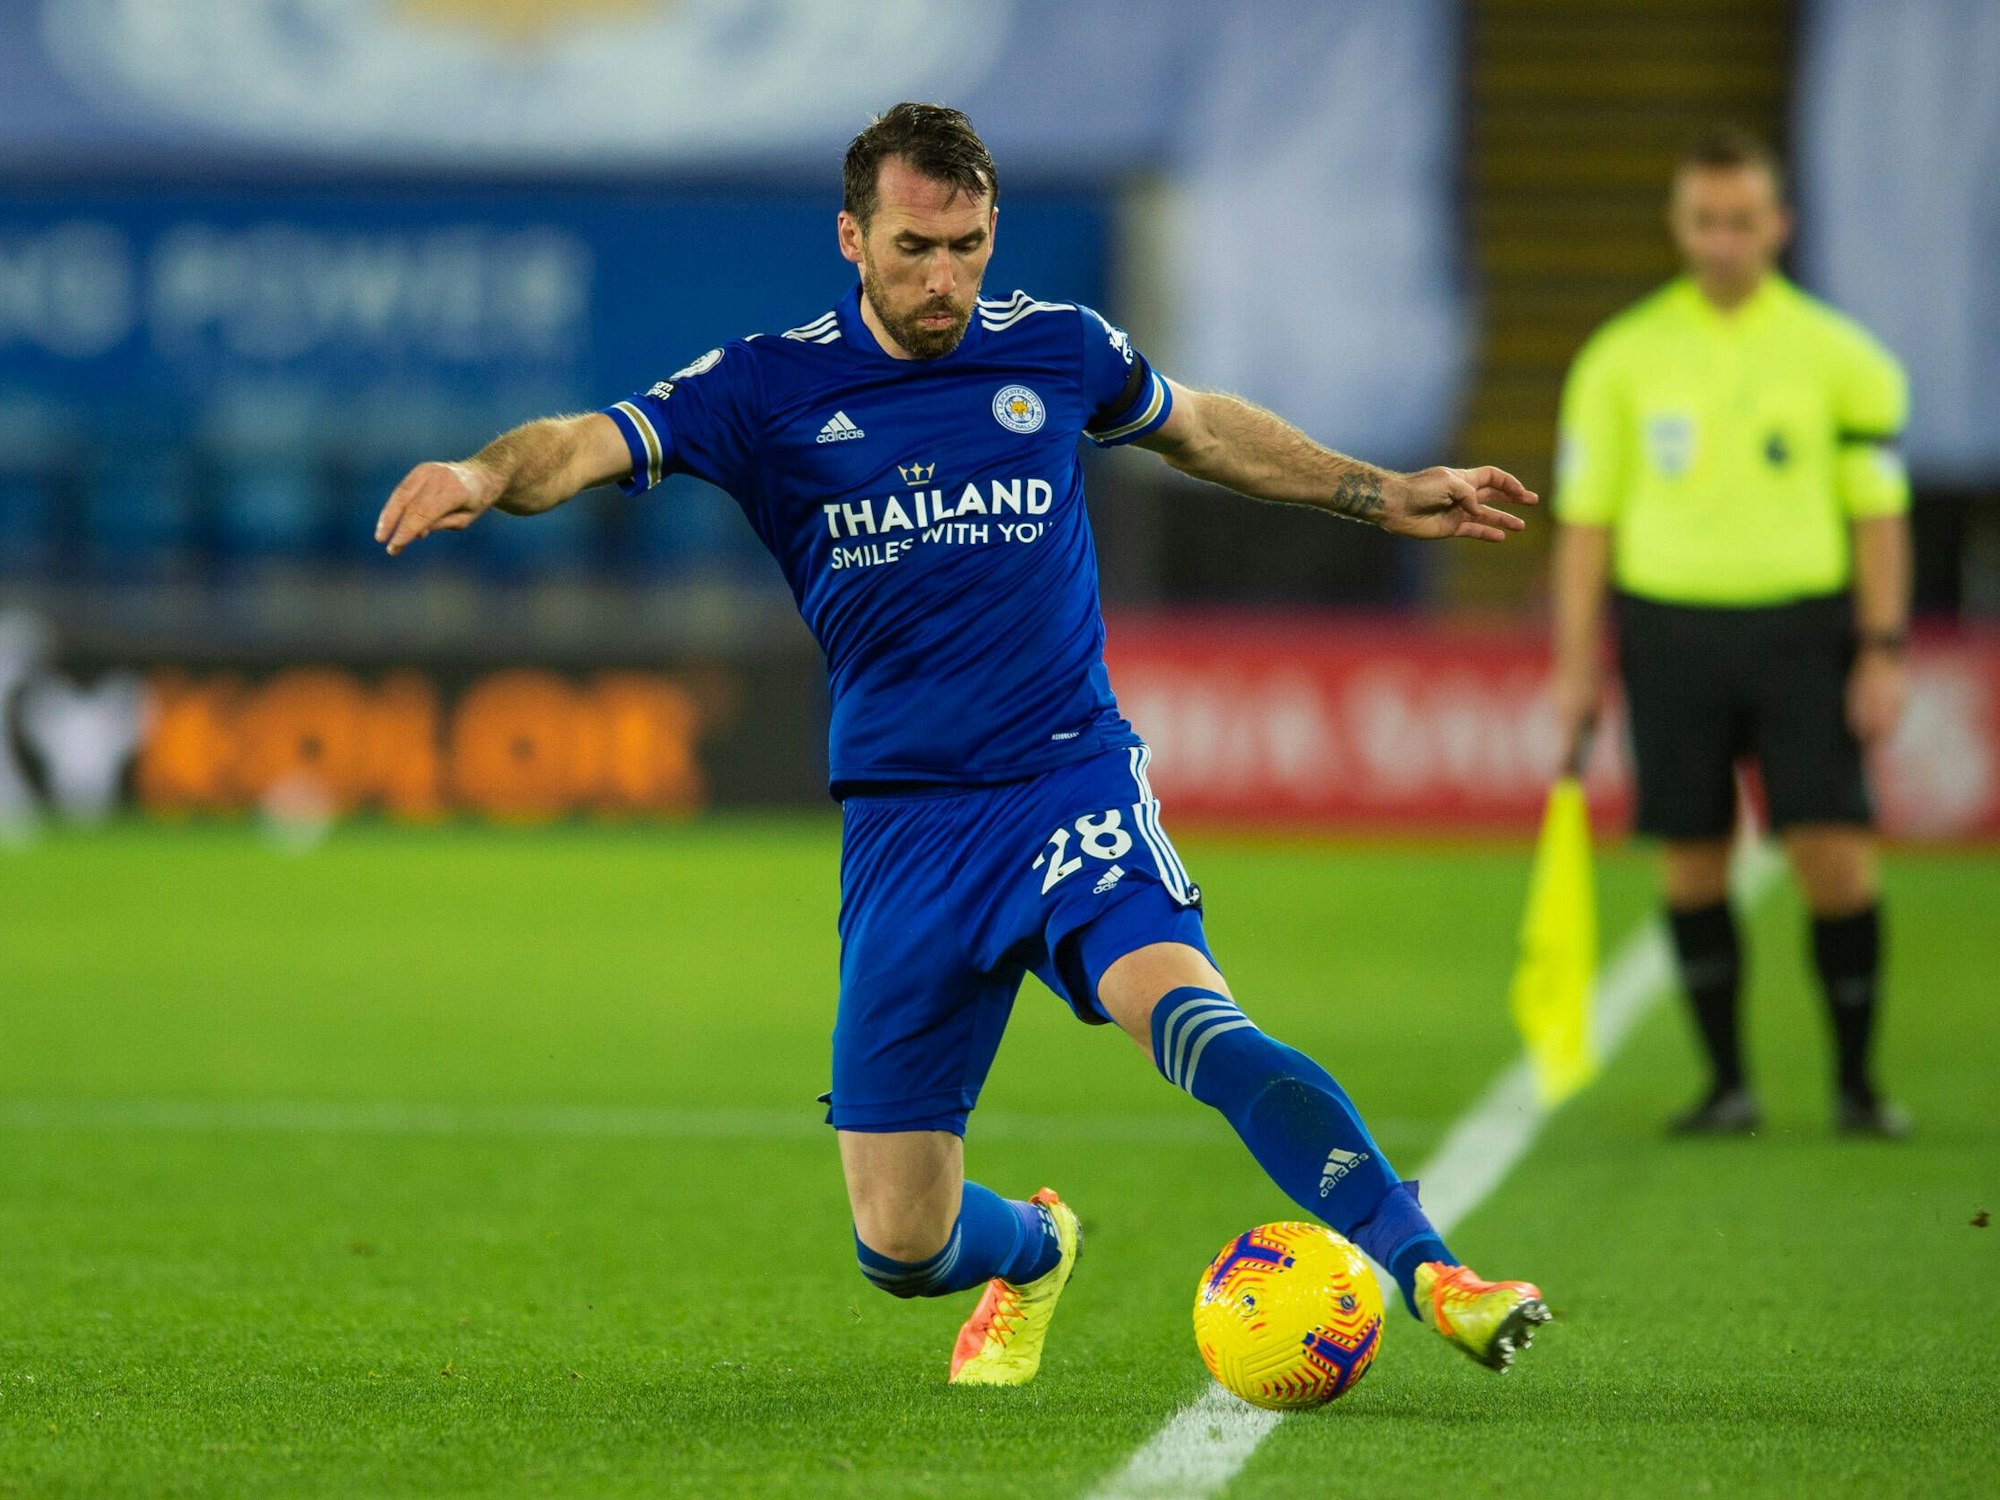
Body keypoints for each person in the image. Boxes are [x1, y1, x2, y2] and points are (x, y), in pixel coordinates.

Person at [377, 103, 1546, 1384]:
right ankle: (1036, 1249)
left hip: (1063, 780)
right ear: (851, 238)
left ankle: (1430, 1268)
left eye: (968, 247)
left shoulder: (1054, 348)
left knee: (1188, 1016)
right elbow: (583, 445)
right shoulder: (765, 387)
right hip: (902, 830)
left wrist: (1377, 493)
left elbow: (1200, 428)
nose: (944, 280)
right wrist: (486, 476)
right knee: (899, 1239)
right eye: (915, 248)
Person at [1551, 128, 1912, 1139]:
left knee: (1833, 857)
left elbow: (1877, 518)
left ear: (1777, 226)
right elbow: (1585, 526)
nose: (1719, 241)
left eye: (1739, 221)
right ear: (1677, 224)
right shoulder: (1618, 359)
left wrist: (1879, 650)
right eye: (1702, 220)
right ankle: (1725, 1087)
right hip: (1668, 635)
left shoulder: (1841, 359)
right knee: (1690, 861)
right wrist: (1575, 662)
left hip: (1804, 634)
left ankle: (1856, 1085)